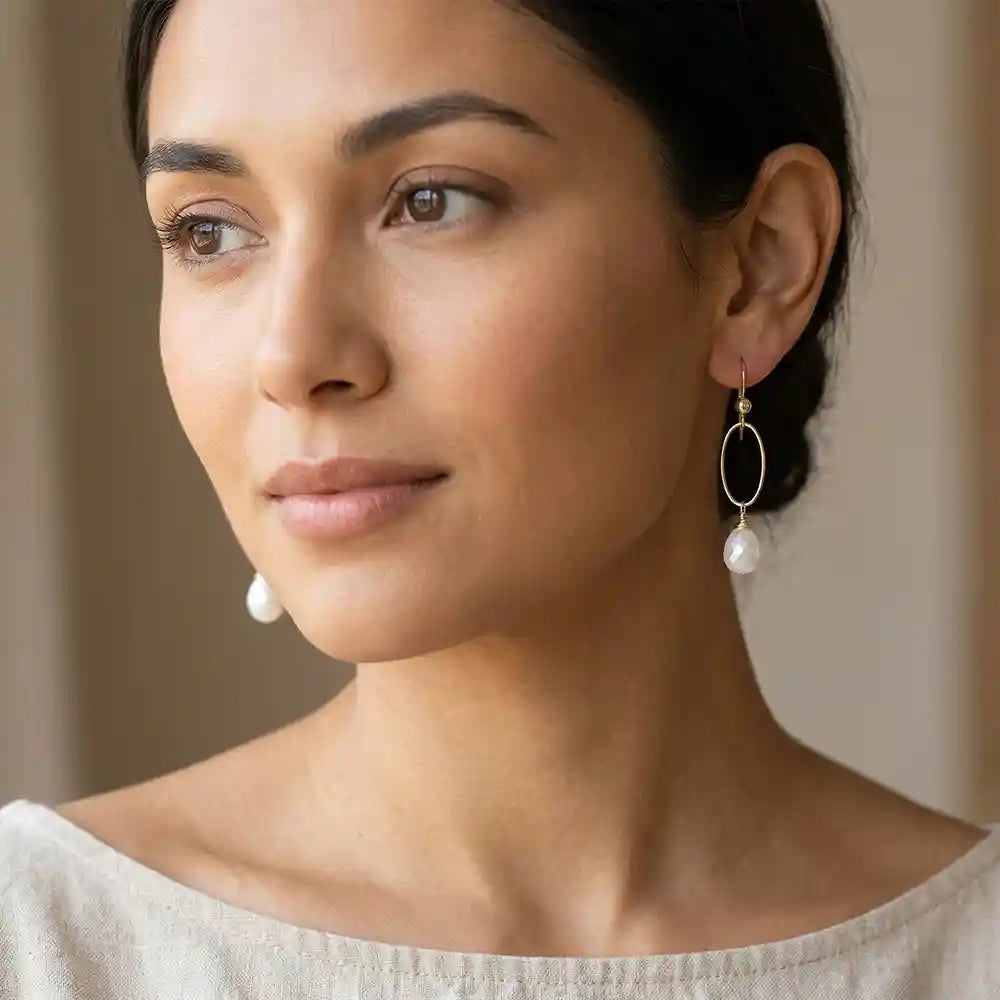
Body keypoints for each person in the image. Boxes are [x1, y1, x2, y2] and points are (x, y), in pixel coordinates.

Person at [2, 0, 998, 996]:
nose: (294, 355)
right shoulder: (47, 943)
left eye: (431, 200)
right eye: (209, 229)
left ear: (759, 264)